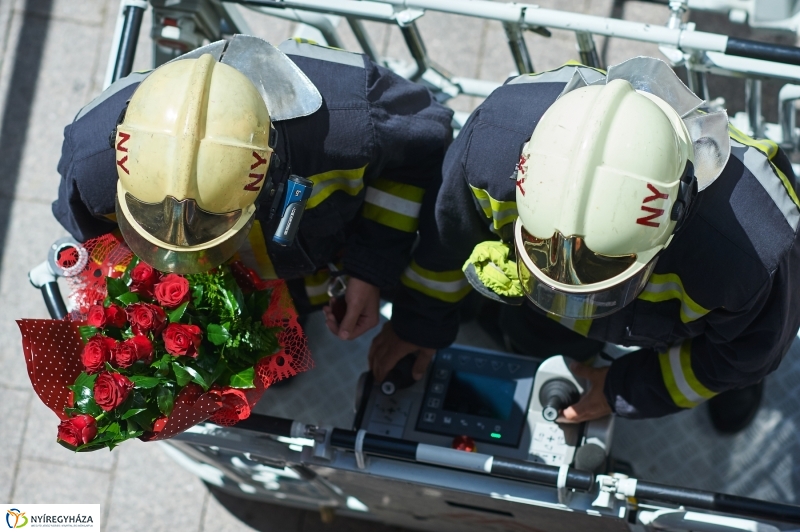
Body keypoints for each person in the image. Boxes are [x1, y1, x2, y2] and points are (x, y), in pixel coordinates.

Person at [370, 57, 800, 433]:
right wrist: (419, 324)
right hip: (566, 316)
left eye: (601, 268)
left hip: (687, 325)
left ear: (677, 211)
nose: (569, 284)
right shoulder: (491, 145)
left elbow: (747, 350)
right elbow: (448, 235)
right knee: (538, 333)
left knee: (732, 364)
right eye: (543, 253)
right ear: (523, 171)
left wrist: (622, 389)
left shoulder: (754, 255)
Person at [52, 35, 452, 345]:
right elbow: (101, 248)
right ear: (121, 148)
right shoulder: (90, 168)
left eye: (214, 224)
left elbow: (424, 151)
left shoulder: (353, 119)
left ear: (269, 164)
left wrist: (369, 270)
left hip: (318, 272)